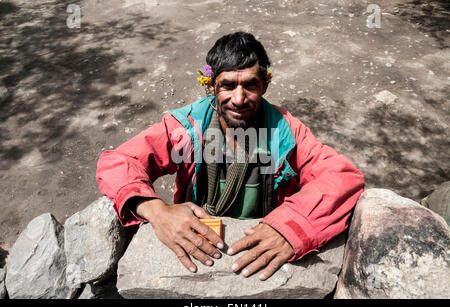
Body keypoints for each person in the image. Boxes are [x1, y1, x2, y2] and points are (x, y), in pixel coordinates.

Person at [96, 32, 364, 281]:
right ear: (211, 86)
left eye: (250, 85)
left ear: (264, 86)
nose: (239, 99)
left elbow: (340, 176)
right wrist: (156, 211)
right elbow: (119, 161)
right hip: (201, 240)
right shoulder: (188, 127)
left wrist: (289, 228)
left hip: (257, 243)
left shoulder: (285, 131)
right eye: (228, 86)